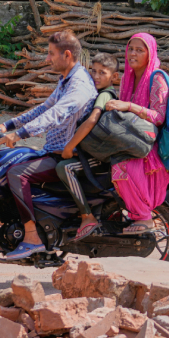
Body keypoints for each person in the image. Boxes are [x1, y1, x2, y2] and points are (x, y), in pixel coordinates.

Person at [0, 30, 96, 260]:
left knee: (17, 174)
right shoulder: (66, 80)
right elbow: (44, 108)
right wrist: (7, 125)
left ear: (66, 55)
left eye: (51, 54)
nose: (47, 59)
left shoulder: (79, 85)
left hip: (67, 156)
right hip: (53, 150)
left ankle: (32, 238)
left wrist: (20, 134)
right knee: (13, 160)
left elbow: (56, 115)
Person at [104, 33, 169, 234]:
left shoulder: (157, 78)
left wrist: (129, 106)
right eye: (131, 48)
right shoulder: (127, 77)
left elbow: (159, 117)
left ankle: (144, 217)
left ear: (150, 54)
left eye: (139, 50)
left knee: (121, 166)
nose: (132, 53)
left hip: (155, 148)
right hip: (135, 140)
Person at [56, 52, 120, 239]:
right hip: (92, 153)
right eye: (94, 71)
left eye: (103, 73)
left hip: (100, 159)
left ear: (114, 77)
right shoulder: (96, 93)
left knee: (64, 168)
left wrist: (69, 147)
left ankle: (86, 216)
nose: (96, 76)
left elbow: (92, 121)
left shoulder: (105, 95)